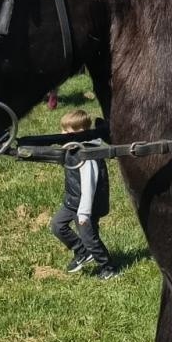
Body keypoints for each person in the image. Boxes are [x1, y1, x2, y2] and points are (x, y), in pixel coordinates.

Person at [50, 109, 117, 281]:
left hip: (86, 206)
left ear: (82, 133)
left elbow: (89, 185)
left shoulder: (87, 154)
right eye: (62, 129)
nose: (63, 134)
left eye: (68, 131)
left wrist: (84, 212)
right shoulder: (71, 148)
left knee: (90, 238)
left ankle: (108, 267)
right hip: (71, 201)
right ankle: (82, 251)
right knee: (58, 226)